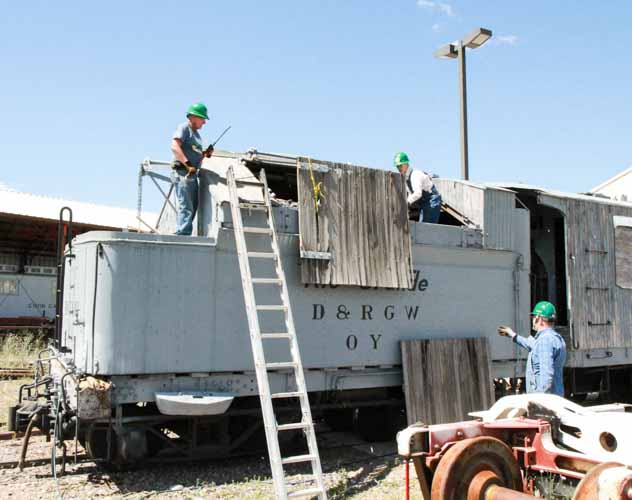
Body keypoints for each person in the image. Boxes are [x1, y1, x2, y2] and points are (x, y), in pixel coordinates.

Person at [498, 301, 567, 396]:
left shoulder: (545, 340)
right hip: (555, 396)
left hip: (545, 401)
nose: (532, 320)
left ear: (539, 318)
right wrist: (513, 335)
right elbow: (532, 345)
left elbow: (546, 375)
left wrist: (540, 402)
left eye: (533, 317)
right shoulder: (556, 338)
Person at [171, 103, 213, 236]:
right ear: (194, 117)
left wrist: (205, 154)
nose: (204, 122)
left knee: (192, 207)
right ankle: (182, 234)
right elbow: (175, 147)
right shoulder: (184, 128)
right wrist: (188, 165)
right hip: (183, 173)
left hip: (192, 174)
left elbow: (196, 156)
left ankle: (184, 232)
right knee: (186, 205)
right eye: (203, 118)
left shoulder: (197, 136)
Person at [394, 152, 442, 224]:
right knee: (423, 227)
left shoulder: (415, 175)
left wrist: (406, 203)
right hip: (425, 203)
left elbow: (418, 193)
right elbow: (411, 194)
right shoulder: (406, 179)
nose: (399, 168)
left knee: (426, 229)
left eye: (400, 165)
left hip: (432, 200)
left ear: (406, 164)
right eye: (397, 166)